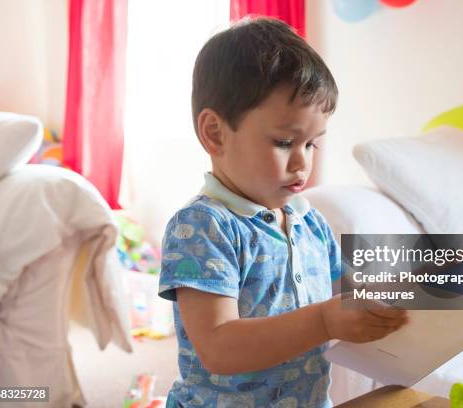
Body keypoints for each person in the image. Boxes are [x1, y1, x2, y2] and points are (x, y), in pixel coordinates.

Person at [159, 17, 408, 408]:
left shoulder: (311, 223)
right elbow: (218, 348)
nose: (302, 164)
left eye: (312, 145)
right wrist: (324, 321)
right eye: (284, 142)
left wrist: (423, 292)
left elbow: (352, 296)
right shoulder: (203, 227)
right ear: (215, 133)